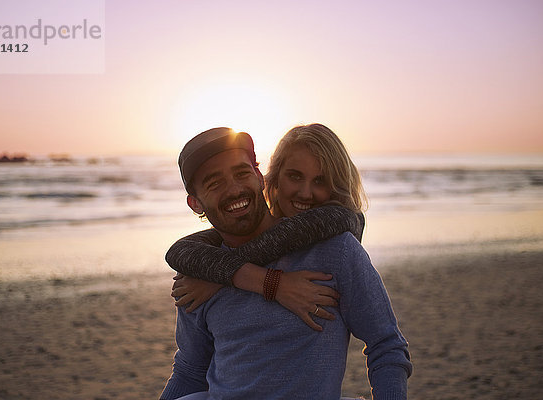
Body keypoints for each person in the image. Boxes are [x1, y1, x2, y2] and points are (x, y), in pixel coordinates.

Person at [160, 127, 412, 399]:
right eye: (214, 183)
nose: (234, 189)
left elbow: (386, 346)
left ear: (259, 177)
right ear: (195, 203)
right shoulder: (199, 276)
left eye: (242, 173)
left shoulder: (335, 251)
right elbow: (190, 370)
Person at [167, 124, 367, 331]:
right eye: (295, 176)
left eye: (321, 181)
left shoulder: (340, 235)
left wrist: (223, 277)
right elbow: (179, 251)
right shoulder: (211, 259)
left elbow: (385, 343)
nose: (306, 194)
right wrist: (267, 282)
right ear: (273, 178)